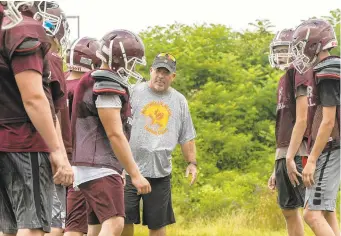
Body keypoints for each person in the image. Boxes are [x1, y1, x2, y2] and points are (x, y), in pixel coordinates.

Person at [0, 2, 73, 236]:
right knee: (32, 226)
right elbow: (34, 97)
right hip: (24, 141)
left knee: (7, 228)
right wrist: (57, 151)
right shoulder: (23, 29)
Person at [70, 29, 151, 236]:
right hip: (98, 165)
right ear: (118, 59)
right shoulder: (107, 83)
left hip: (91, 164)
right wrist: (135, 174)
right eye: (131, 61)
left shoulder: (94, 78)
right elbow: (114, 134)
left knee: (95, 227)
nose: (132, 67)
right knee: (115, 222)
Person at [122, 53, 198, 236]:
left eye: (166, 72)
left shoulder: (179, 101)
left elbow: (186, 135)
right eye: (158, 71)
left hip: (160, 172)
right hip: (128, 169)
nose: (161, 76)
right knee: (123, 219)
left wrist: (192, 163)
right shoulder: (133, 92)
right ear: (151, 71)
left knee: (157, 224)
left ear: (173, 77)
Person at [291, 18, 340, 236]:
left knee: (311, 214)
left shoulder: (328, 69)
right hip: (329, 147)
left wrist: (311, 160)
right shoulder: (323, 68)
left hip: (332, 146)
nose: (301, 52)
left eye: (302, 46)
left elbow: (328, 121)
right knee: (325, 211)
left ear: (315, 45)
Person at [267, 28, 313, 236]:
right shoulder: (282, 79)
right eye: (278, 50)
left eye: (285, 50)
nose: (280, 55)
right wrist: (276, 165)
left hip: (300, 152)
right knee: (288, 210)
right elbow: (283, 126)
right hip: (284, 153)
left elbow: (302, 119)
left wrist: (291, 157)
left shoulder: (301, 73)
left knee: (312, 210)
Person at [64, 36, 102, 236]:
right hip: (79, 159)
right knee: (76, 224)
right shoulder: (89, 86)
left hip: (49, 156)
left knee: (51, 221)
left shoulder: (56, 78)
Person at [40, 3, 71, 235]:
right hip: (48, 149)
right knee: (54, 225)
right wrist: (59, 152)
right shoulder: (50, 57)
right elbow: (53, 110)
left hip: (16, 148)